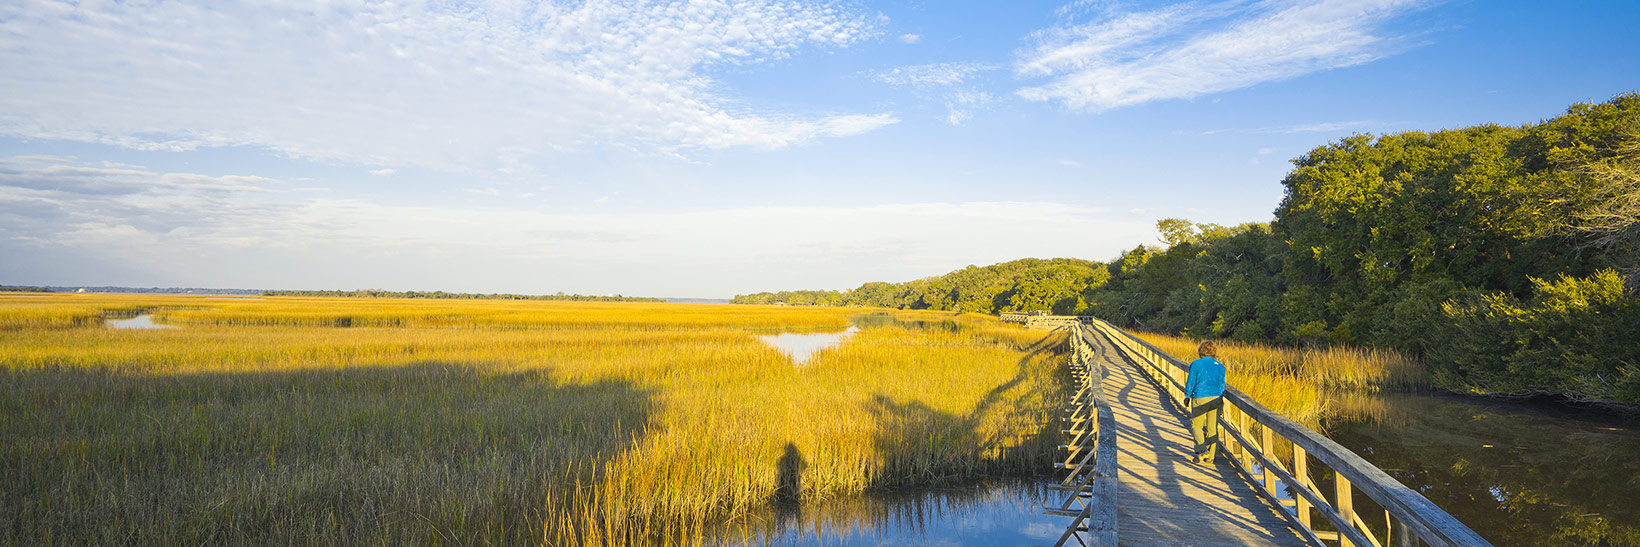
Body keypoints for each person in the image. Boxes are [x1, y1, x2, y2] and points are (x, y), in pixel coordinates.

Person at [1184, 340, 1226, 464]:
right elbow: (1222, 385)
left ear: (1201, 351)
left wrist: (1187, 396)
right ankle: (1211, 457)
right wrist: (1220, 399)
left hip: (1200, 398)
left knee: (1196, 425)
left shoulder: (1196, 364)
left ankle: (1202, 449)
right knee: (1212, 428)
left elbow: (1191, 381)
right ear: (1214, 351)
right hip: (1216, 398)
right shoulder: (1220, 365)